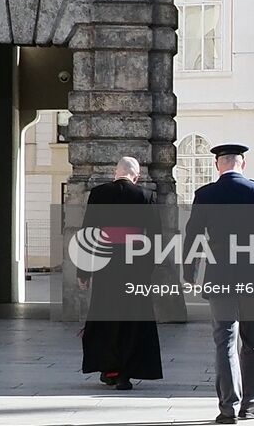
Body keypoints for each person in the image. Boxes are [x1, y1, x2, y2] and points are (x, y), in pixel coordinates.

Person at [183, 143, 254, 424]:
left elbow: (192, 237)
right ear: (243, 164)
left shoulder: (205, 194)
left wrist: (190, 271)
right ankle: (250, 406)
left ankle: (228, 408)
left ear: (218, 165)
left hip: (220, 274)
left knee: (224, 340)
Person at [77, 156, 163, 390]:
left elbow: (88, 234)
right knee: (133, 320)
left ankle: (110, 369)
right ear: (136, 176)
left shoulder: (99, 194)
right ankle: (127, 371)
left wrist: (84, 271)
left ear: (116, 173)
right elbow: (155, 236)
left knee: (107, 318)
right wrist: (148, 268)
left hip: (106, 266)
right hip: (135, 266)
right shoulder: (145, 196)